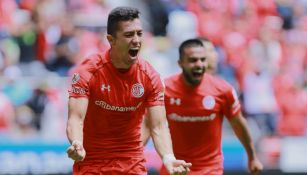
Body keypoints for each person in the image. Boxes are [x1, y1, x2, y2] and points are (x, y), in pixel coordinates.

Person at [66, 6, 191, 175]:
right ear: (111, 40)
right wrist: (77, 143)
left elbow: (158, 125)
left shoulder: (150, 76)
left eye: (139, 33)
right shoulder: (88, 71)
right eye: (129, 34)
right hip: (92, 162)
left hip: (131, 163)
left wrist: (168, 158)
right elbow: (76, 118)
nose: (136, 40)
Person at [142, 38, 263, 175]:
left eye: (203, 60)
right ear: (180, 63)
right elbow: (149, 124)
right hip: (174, 168)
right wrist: (135, 154)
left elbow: (238, 124)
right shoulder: (165, 90)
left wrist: (252, 157)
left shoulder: (223, 90)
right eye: (193, 60)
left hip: (210, 169)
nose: (199, 65)